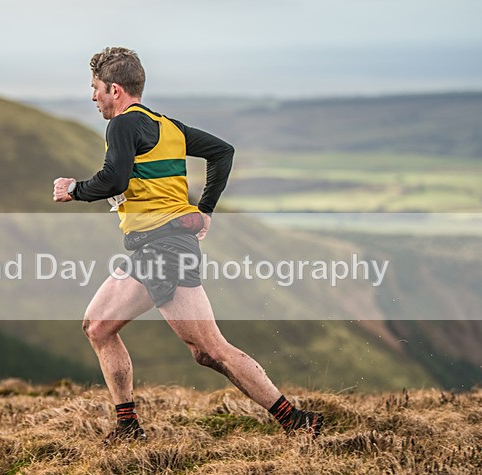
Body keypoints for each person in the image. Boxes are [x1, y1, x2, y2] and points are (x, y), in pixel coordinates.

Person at [53, 47, 323, 444]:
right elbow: (222, 152)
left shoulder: (123, 125)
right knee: (99, 326)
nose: (93, 97)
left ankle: (297, 421)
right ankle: (128, 426)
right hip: (157, 248)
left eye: (95, 89)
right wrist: (206, 209)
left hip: (165, 249)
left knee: (211, 349)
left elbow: (114, 180)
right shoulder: (167, 127)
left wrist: (74, 190)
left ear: (114, 88)